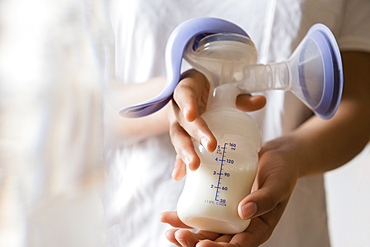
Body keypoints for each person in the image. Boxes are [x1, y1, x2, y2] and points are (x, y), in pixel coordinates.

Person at [103, 0, 370, 246]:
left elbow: (360, 104)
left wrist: (292, 153)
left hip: (289, 227)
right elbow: (86, 113)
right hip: (145, 220)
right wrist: (176, 102)